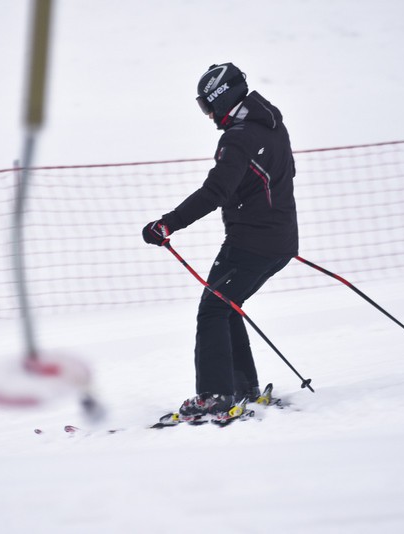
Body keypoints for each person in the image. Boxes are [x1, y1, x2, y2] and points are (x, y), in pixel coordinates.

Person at [142, 63, 299, 417]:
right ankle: (243, 389)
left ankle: (215, 395)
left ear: (220, 98)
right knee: (226, 305)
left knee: (212, 310)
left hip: (251, 244)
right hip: (281, 242)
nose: (208, 114)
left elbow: (215, 191)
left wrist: (167, 225)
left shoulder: (239, 137)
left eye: (206, 105)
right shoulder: (272, 125)